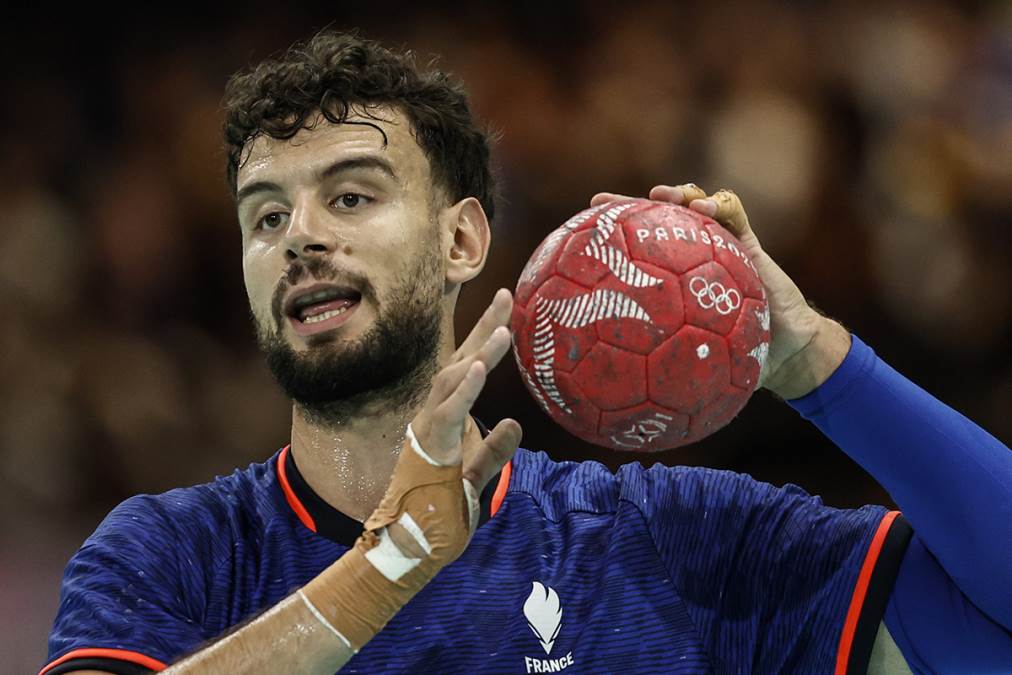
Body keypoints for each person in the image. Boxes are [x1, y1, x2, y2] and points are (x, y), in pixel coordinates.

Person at [43, 30, 1011, 675]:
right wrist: (386, 570)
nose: (298, 237)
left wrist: (818, 365)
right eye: (265, 217)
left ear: (463, 239)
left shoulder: (663, 543)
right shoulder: (170, 554)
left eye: (350, 196)